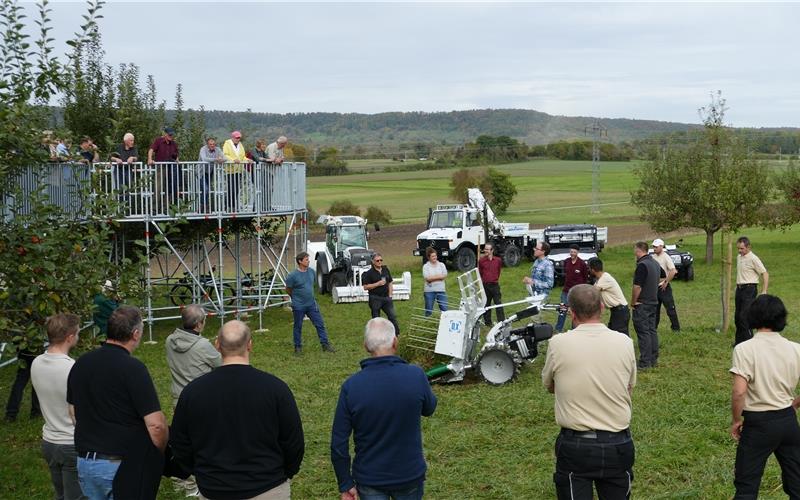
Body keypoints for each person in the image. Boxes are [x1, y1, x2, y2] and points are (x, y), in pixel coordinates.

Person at [170, 320, 305, 500]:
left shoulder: (192, 392)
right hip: (267, 487)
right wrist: (286, 472)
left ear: (217, 344)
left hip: (218, 487)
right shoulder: (275, 388)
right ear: (250, 345)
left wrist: (199, 472)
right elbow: (293, 441)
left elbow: (180, 442)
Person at [542, 284, 637, 500]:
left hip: (576, 445)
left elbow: (550, 385)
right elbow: (628, 387)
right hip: (618, 443)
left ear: (571, 312)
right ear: (602, 307)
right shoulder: (625, 342)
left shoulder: (558, 344)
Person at [331, 317, 437, 500]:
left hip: (369, 477)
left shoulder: (351, 386)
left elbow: (338, 443)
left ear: (366, 346)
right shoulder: (416, 375)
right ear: (395, 342)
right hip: (409, 475)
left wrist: (345, 482)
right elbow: (429, 408)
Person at [67, 306, 167, 499]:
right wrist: (159, 452)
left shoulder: (81, 363)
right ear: (135, 334)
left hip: (86, 462)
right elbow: (156, 425)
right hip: (121, 465)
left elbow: (73, 412)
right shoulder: (133, 369)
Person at [730, 294, 800, 498]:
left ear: (752, 317)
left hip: (757, 423)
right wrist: (795, 403)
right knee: (796, 480)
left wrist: (736, 420)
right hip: (788, 421)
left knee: (747, 483)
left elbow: (739, 392)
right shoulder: (796, 349)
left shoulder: (744, 349)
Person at [30, 313, 86, 500]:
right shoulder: (72, 368)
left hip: (49, 441)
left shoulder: (36, 363)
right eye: (77, 333)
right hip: (70, 441)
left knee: (60, 494)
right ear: (70, 337)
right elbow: (79, 410)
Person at [165, 304, 221, 406]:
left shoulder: (170, 340)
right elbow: (222, 364)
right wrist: (219, 349)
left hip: (179, 400)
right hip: (201, 399)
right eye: (204, 320)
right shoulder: (202, 345)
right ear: (199, 324)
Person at [285, 251, 335, 355]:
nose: (308, 261)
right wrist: (294, 298)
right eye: (306, 260)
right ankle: (297, 347)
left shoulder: (312, 272)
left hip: (311, 304)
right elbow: (288, 289)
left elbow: (312, 285)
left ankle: (325, 344)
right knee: (298, 326)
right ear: (300, 261)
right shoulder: (292, 276)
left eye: (308, 259)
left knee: (320, 324)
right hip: (298, 305)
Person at [632, 241, 661, 370]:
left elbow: (637, 286)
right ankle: (653, 359)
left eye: (635, 251)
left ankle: (644, 362)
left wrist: (633, 301)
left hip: (643, 302)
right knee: (651, 330)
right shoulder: (655, 263)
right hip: (653, 301)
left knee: (643, 332)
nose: (634, 254)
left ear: (639, 250)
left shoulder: (642, 265)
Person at [735, 236, 769, 346]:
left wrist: (764, 290)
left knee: (744, 317)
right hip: (739, 289)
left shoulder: (753, 258)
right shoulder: (739, 257)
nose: (740, 251)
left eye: (742, 249)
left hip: (749, 289)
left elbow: (765, 273)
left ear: (748, 247)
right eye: (738, 249)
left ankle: (750, 343)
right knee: (737, 317)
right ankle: (739, 342)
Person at [553, 244, 589, 332]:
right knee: (562, 309)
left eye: (574, 252)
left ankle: (574, 329)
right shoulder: (566, 261)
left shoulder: (582, 264)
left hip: (577, 292)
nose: (572, 253)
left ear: (577, 252)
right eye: (571, 252)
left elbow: (585, 278)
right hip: (566, 291)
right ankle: (558, 328)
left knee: (575, 311)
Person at [362, 252, 401, 335]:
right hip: (375, 298)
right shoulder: (368, 273)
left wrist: (390, 295)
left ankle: (396, 334)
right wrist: (377, 284)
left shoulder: (385, 269)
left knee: (392, 316)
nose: (379, 262)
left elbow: (390, 282)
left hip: (386, 298)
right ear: (373, 262)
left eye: (381, 260)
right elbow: (365, 287)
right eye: (377, 260)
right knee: (376, 318)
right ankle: (377, 335)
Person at [589, 258, 629, 335]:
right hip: (616, 311)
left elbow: (592, 292)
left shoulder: (605, 278)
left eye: (589, 268)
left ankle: (627, 346)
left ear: (593, 270)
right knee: (613, 333)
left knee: (619, 336)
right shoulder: (600, 279)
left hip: (620, 311)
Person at [4, 343, 42, 422]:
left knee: (20, 381)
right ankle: (36, 413)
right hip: (35, 348)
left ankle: (10, 414)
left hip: (24, 348)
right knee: (36, 381)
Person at [147, 127, 180, 212]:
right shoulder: (158, 141)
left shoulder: (174, 144)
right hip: (161, 166)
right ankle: (154, 208)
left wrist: (177, 160)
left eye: (172, 134)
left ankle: (166, 208)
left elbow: (176, 156)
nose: (171, 136)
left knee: (169, 188)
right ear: (165, 134)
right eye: (169, 134)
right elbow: (151, 150)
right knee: (158, 187)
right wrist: (149, 159)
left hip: (171, 167)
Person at [651, 238, 681, 332]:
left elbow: (673, 270)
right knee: (655, 310)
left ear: (661, 246)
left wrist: (666, 282)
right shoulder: (652, 257)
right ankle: (653, 328)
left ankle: (676, 328)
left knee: (670, 309)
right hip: (654, 288)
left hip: (664, 288)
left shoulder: (666, 257)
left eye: (656, 247)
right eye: (653, 247)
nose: (654, 248)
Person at [222, 130, 252, 212]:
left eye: (239, 138)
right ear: (232, 137)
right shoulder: (227, 144)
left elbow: (242, 157)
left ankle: (233, 206)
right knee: (231, 188)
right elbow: (225, 155)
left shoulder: (240, 145)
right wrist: (233, 160)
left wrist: (247, 159)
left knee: (236, 189)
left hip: (239, 170)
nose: (238, 139)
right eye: (236, 138)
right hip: (230, 170)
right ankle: (228, 206)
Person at [478, 242, 505, 326]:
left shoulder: (498, 260)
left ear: (492, 250)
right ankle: (488, 322)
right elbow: (480, 273)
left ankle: (501, 321)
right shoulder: (481, 261)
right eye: (485, 249)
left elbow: (498, 271)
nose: (485, 250)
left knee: (498, 303)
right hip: (485, 285)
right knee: (487, 304)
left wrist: (494, 278)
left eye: (487, 249)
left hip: (495, 285)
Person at [198, 136, 225, 212]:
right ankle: (203, 206)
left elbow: (225, 158)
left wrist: (221, 160)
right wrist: (216, 159)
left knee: (206, 190)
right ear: (207, 144)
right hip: (201, 172)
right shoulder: (203, 149)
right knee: (205, 189)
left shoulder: (217, 149)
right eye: (210, 144)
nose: (212, 145)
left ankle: (204, 207)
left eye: (213, 144)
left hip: (210, 172)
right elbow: (204, 158)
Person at [422, 247, 448, 317]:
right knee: (429, 309)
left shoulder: (441, 265)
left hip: (441, 290)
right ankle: (427, 322)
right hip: (429, 291)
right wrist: (439, 277)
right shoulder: (425, 267)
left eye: (435, 255)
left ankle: (445, 321)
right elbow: (427, 278)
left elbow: (444, 275)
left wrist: (433, 278)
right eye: (432, 256)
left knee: (444, 308)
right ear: (429, 257)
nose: (435, 257)